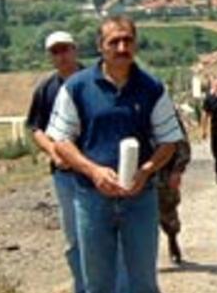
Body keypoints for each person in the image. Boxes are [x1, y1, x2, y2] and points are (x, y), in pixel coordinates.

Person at [47, 16, 184, 293]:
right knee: (98, 283)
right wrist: (93, 171)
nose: (122, 47)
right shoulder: (76, 88)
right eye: (114, 42)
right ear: (100, 46)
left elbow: (169, 141)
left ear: (136, 44)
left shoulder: (153, 88)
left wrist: (146, 171)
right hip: (92, 198)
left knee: (143, 282)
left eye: (128, 40)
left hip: (140, 199)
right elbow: (61, 141)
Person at [25, 31, 85, 293]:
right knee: (73, 237)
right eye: (55, 51)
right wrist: (53, 151)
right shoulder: (46, 89)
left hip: (97, 172)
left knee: (104, 234)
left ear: (75, 50)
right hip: (65, 175)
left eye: (65, 49)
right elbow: (36, 128)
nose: (61, 56)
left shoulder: (95, 81)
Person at [157, 110, 191, 265]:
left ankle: (172, 239)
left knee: (168, 210)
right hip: (136, 170)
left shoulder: (165, 110)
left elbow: (181, 142)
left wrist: (177, 170)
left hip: (164, 171)